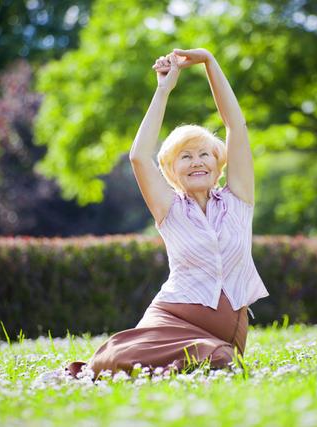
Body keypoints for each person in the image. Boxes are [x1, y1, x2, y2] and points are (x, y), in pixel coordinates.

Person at [66, 48, 269, 379]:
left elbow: (236, 125)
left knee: (220, 358)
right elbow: (138, 156)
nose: (197, 161)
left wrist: (209, 63)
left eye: (205, 154)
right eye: (185, 157)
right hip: (168, 318)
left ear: (219, 164)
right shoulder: (169, 208)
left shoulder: (238, 200)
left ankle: (202, 356)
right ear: (173, 172)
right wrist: (163, 90)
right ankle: (105, 363)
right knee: (117, 359)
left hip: (222, 333)